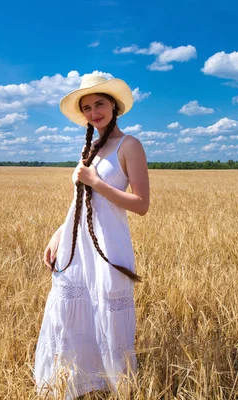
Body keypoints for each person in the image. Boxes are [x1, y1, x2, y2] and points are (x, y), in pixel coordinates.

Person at [33, 73, 150, 399]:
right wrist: (58, 233)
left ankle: (115, 388)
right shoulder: (91, 149)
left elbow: (141, 205)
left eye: (99, 103)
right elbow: (81, 201)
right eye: (87, 107)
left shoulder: (130, 146)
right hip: (77, 247)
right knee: (68, 316)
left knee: (108, 320)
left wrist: (96, 181)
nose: (94, 111)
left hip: (109, 248)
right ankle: (75, 385)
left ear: (114, 105)